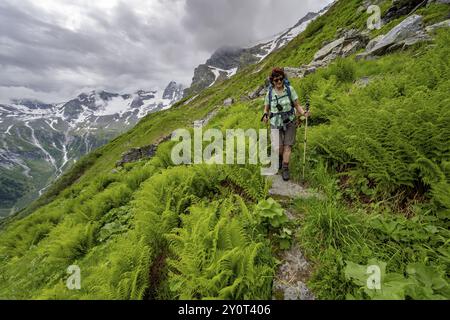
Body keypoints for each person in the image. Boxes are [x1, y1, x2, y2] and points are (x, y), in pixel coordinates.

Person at [262, 67, 309, 181]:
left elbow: (297, 105)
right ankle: (279, 158)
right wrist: (265, 115)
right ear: (272, 81)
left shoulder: (289, 89)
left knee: (288, 146)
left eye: (280, 79)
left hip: (290, 121)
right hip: (275, 122)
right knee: (278, 147)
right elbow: (266, 108)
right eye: (276, 80)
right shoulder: (270, 93)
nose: (279, 82)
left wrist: (304, 113)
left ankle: (285, 168)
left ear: (283, 79)